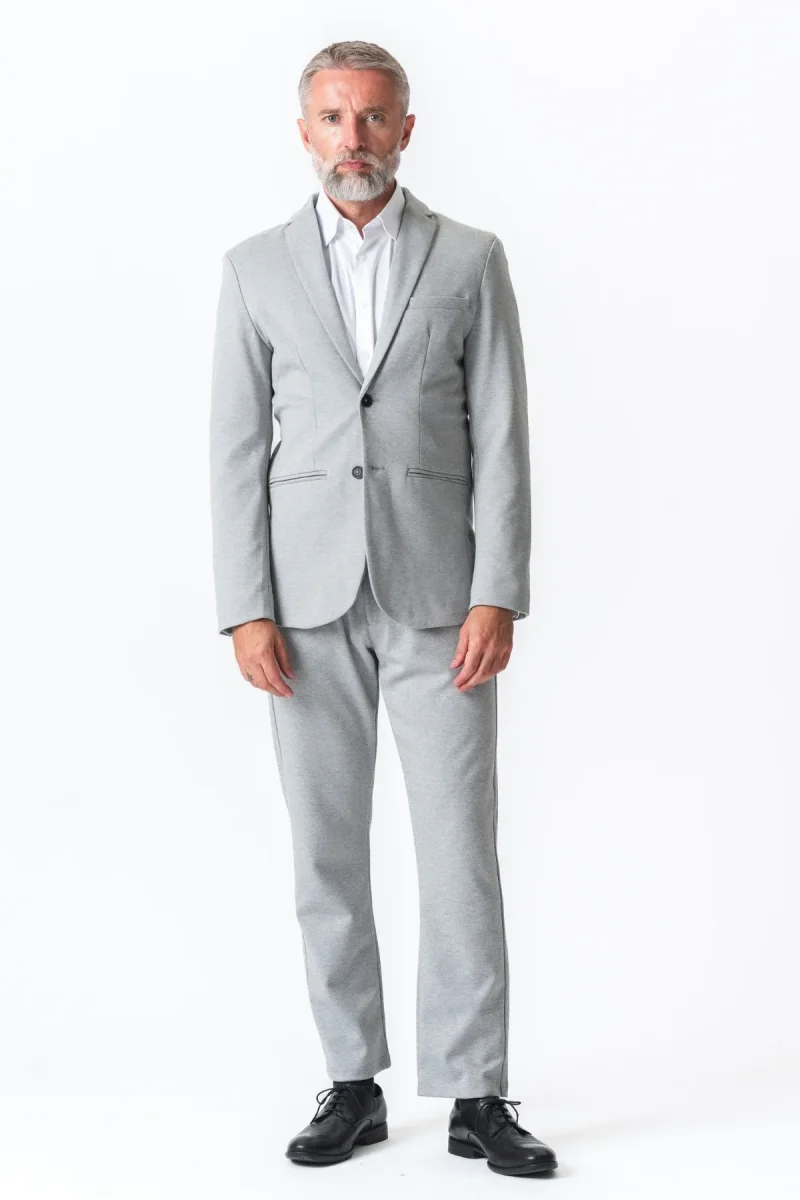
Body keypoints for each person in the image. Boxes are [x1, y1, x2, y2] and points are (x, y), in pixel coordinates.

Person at [209, 39, 558, 1177]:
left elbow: (501, 432)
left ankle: (475, 1092)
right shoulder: (254, 269)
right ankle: (351, 1082)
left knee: (459, 850)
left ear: (406, 129)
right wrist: (244, 606)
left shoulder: (469, 258)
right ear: (303, 132)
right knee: (325, 852)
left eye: (371, 118)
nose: (351, 140)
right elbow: (234, 451)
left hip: (438, 599)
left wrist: (498, 588)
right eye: (332, 118)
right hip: (301, 609)